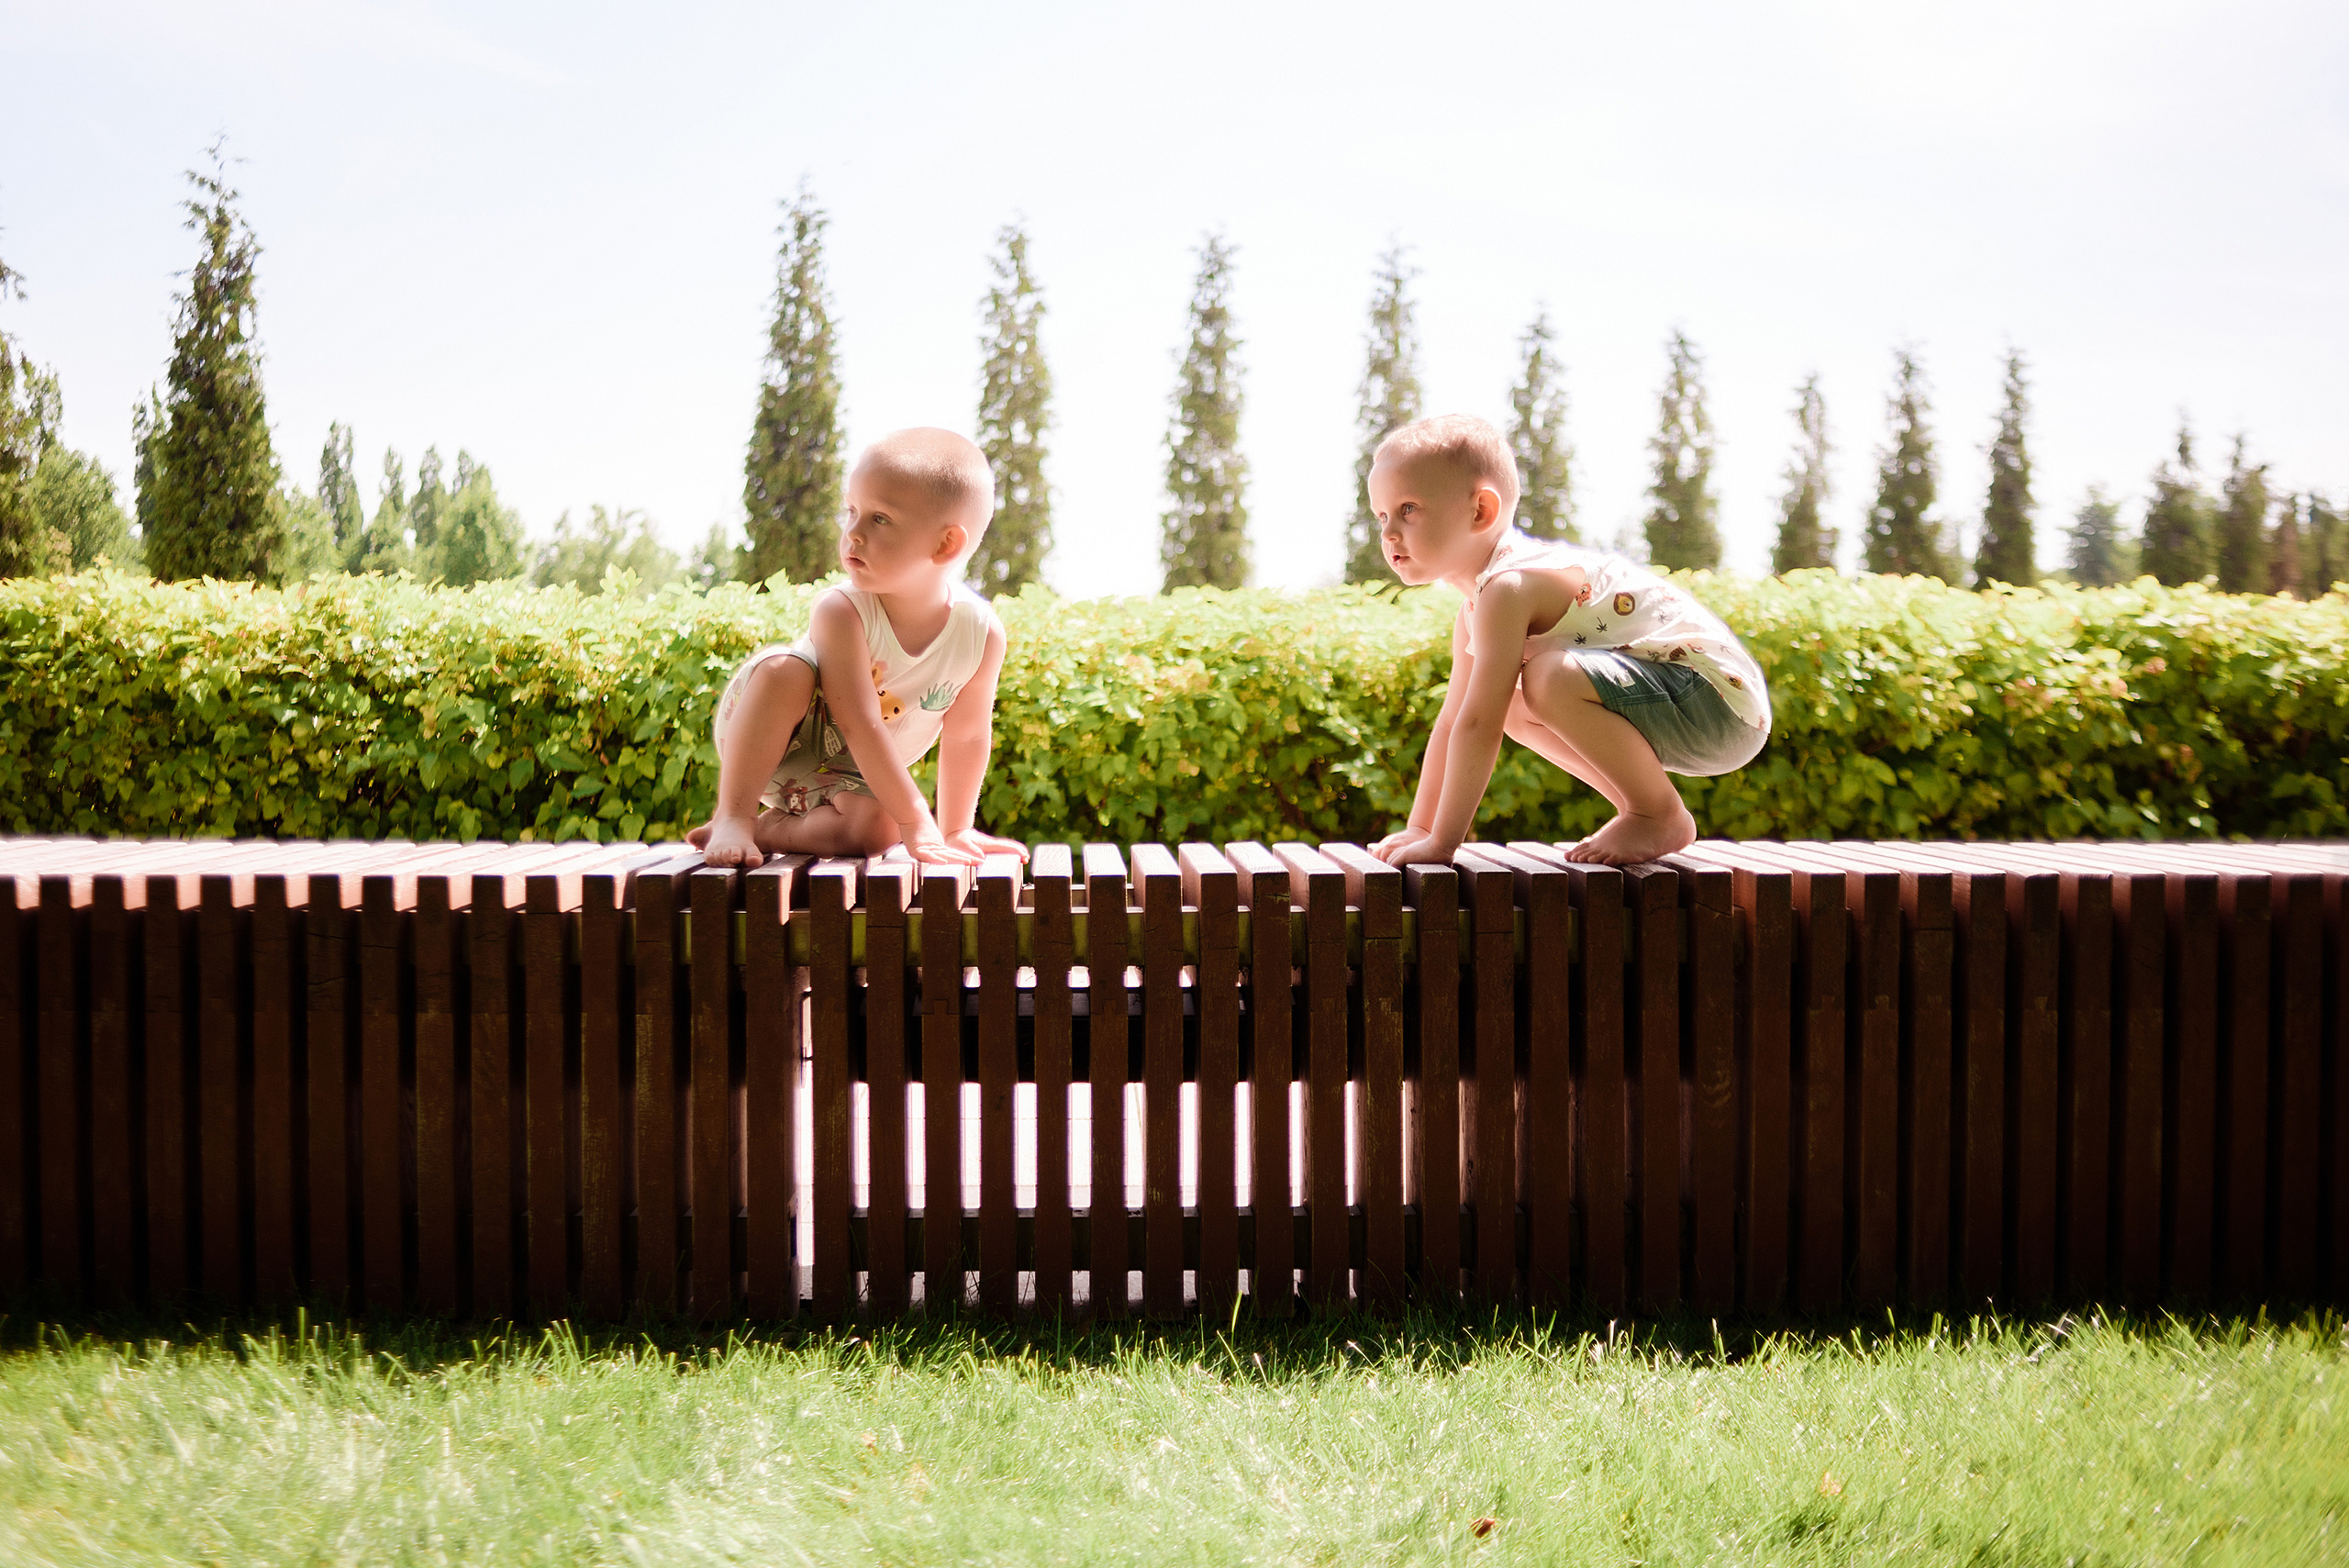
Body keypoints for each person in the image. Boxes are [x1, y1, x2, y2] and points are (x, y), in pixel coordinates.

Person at [1366, 414, 1770, 868]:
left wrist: (1442, 844)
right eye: (1382, 516)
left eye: (1408, 509)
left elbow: (1477, 726)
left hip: (1715, 700)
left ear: (1481, 511)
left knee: (1546, 677)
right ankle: (1647, 808)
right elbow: (1455, 721)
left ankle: (1656, 812)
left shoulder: (1510, 585)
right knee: (1517, 707)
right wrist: (1421, 828)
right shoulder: (1476, 610)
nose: (1389, 533)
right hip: (1694, 707)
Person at [691, 428, 1028, 868]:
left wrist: (954, 829)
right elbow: (859, 722)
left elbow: (966, 734)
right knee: (783, 668)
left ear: (946, 544)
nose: (853, 533)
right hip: (772, 739)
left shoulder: (979, 635)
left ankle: (767, 828)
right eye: (851, 511)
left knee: (879, 831)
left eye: (880, 518)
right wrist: (916, 819)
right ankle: (734, 814)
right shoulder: (842, 610)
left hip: (856, 774)